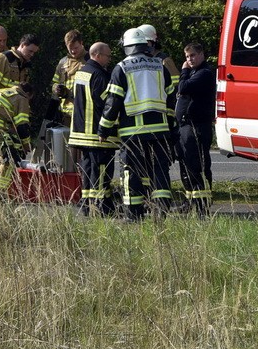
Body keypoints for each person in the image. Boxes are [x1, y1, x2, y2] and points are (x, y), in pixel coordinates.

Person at [99, 28, 175, 220]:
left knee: (131, 172)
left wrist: (103, 129)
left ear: (127, 46)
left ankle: (134, 215)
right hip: (160, 131)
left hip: (133, 132)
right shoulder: (160, 65)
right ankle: (162, 212)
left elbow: (113, 101)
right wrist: (171, 125)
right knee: (160, 170)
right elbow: (172, 99)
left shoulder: (122, 67)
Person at [69, 42, 119, 216]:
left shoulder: (81, 72)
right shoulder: (99, 75)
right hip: (98, 135)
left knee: (88, 170)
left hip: (81, 132)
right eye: (108, 56)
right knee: (102, 171)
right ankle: (101, 206)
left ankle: (86, 204)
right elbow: (107, 103)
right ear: (97, 55)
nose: (109, 59)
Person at [175, 41, 215, 214]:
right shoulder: (194, 72)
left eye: (192, 56)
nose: (189, 59)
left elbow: (183, 87)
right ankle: (190, 201)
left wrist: (183, 70)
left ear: (201, 54)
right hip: (185, 126)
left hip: (197, 126)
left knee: (198, 164)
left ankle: (202, 204)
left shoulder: (204, 73)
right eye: (187, 57)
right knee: (186, 164)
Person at [52, 29, 86, 126]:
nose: (73, 51)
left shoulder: (89, 60)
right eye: (69, 48)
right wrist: (56, 88)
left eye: (76, 48)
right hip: (65, 112)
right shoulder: (63, 62)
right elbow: (54, 82)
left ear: (81, 43)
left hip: (83, 111)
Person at [138, 24, 180, 92]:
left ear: (153, 42)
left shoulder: (165, 61)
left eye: (146, 42)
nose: (143, 46)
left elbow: (176, 85)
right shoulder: (141, 61)